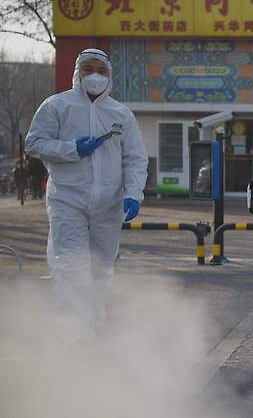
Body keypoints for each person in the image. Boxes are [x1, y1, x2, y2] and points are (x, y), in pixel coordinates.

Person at [25, 48, 148, 343]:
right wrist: (71, 149)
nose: (95, 75)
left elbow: (135, 158)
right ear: (77, 72)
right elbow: (34, 143)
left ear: (109, 77)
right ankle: (73, 334)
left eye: (101, 70)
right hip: (68, 198)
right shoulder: (57, 106)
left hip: (109, 203)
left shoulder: (121, 114)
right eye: (88, 68)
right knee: (70, 264)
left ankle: (94, 325)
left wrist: (134, 193)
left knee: (102, 267)